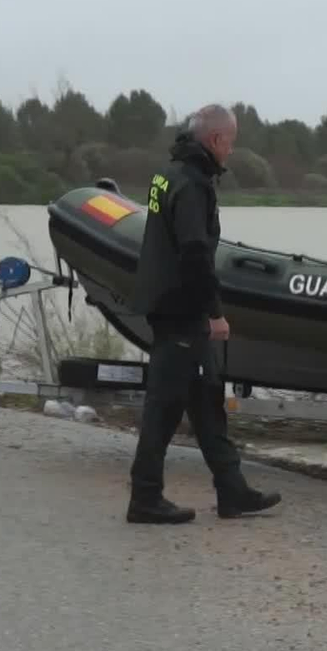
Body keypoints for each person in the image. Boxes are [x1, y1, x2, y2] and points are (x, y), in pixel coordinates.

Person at [125, 103, 282, 524]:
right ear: (215, 139)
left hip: (168, 303)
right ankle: (145, 498)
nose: (231, 150)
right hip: (180, 308)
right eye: (230, 142)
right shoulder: (193, 184)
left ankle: (233, 491)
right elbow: (194, 253)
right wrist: (214, 312)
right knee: (164, 408)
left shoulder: (168, 174)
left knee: (207, 400)